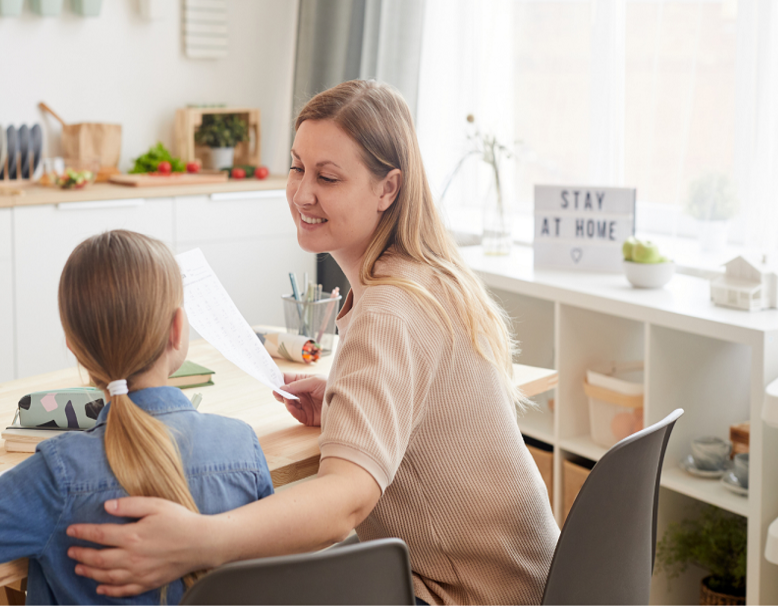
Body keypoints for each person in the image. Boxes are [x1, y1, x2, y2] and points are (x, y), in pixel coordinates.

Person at [65, 81, 560, 605]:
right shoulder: (429, 276)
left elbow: (344, 502)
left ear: (387, 189)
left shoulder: (390, 309)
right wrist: (348, 395)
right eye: (297, 167)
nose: (303, 194)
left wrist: (199, 541)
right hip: (525, 582)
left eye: (327, 177)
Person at [0, 230, 274, 605]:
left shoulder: (58, 474)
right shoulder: (242, 445)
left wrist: (16, 483)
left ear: (75, 350)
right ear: (178, 330)